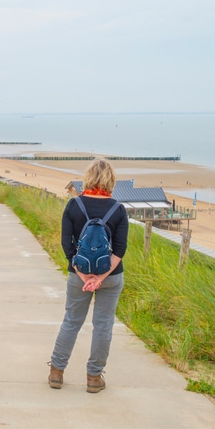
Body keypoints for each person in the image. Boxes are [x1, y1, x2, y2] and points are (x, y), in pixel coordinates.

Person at [48, 158, 128, 393]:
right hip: (111, 276)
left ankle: (56, 372)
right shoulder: (118, 209)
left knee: (71, 322)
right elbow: (120, 250)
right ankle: (94, 378)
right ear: (111, 179)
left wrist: (83, 275)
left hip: (78, 273)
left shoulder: (74, 206)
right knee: (103, 326)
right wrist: (100, 278)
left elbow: (67, 245)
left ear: (88, 178)